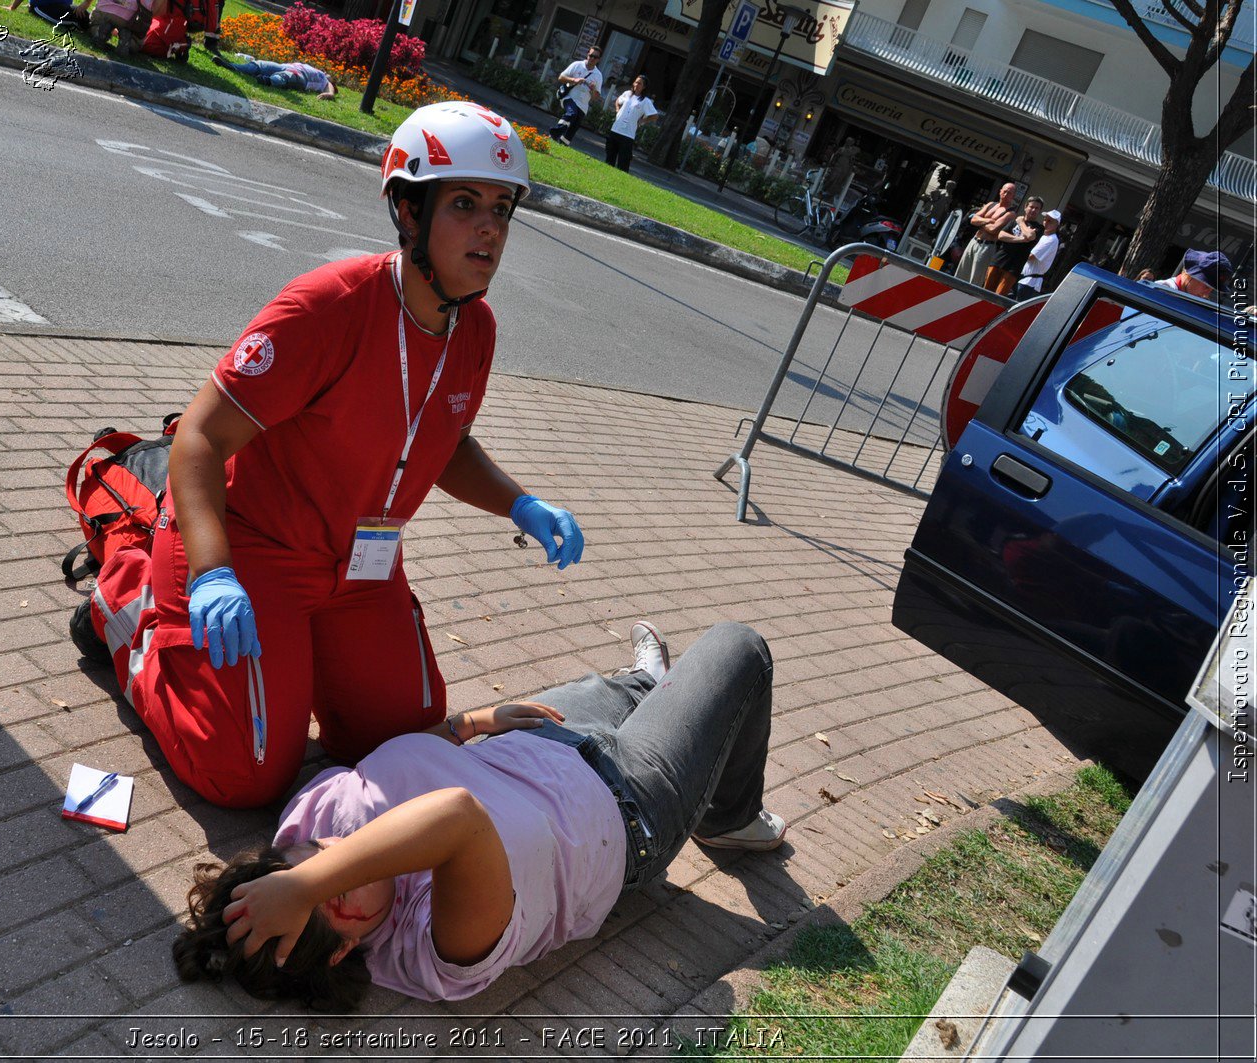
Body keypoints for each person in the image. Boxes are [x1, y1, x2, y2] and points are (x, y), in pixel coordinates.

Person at [79, 102, 586, 811]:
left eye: (502, 209)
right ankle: (127, 598)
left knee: (399, 741)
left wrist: (521, 503)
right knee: (246, 773)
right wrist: (214, 572)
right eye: (465, 204)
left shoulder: (477, 328)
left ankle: (293, 663)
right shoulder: (329, 305)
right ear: (409, 212)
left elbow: (443, 443)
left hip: (362, 569)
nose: (490, 229)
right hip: (255, 550)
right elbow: (199, 436)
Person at [175, 621, 785, 1006]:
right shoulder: (433, 953)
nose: (344, 874)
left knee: (619, 689)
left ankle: (646, 687)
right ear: (344, 952)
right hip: (631, 803)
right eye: (333, 902)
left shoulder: (313, 823)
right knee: (739, 649)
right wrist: (308, 884)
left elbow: (402, 761)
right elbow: (457, 817)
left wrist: (472, 723)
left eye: (309, 864)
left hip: (529, 744)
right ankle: (726, 817)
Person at [956, 182, 1017, 287]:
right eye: (1005, 191)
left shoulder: (1010, 213)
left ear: (1013, 196)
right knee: (960, 275)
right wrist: (989, 220)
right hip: (974, 241)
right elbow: (973, 219)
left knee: (975, 281)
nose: (1006, 194)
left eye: (1010, 193)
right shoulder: (991, 204)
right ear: (1000, 191)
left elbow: (993, 230)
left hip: (987, 246)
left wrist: (980, 222)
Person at [985, 196, 1042, 296]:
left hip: (1014, 266)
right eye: (1031, 207)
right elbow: (1001, 235)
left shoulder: (1039, 228)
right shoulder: (1013, 222)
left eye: (1037, 208)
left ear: (1039, 211)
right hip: (999, 260)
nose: (1033, 210)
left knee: (999, 295)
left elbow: (1030, 236)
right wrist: (1021, 239)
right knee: (985, 291)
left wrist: (1021, 222)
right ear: (1025, 207)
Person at [548, 47, 603, 146]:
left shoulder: (598, 75)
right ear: (587, 54)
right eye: (591, 55)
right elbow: (561, 77)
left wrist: (593, 89)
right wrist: (574, 80)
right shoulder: (577, 65)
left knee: (572, 129)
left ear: (599, 59)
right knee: (572, 113)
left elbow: (595, 98)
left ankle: (562, 144)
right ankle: (554, 134)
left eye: (595, 57)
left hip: (583, 105)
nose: (592, 58)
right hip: (569, 97)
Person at [603, 75, 659, 172]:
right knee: (609, 159)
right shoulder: (627, 94)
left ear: (644, 87)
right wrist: (617, 110)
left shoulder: (645, 101)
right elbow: (618, 101)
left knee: (623, 163)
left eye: (640, 83)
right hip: (615, 130)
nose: (636, 85)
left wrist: (642, 121)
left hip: (627, 135)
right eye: (636, 82)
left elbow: (654, 116)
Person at [215, 55, 336, 98]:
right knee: (260, 65)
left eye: (331, 77)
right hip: (284, 66)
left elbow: (330, 87)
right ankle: (232, 66)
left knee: (287, 77)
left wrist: (330, 93)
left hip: (300, 77)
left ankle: (268, 81)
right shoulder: (316, 69)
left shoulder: (323, 80)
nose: (328, 74)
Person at [1014, 208, 1061, 300]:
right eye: (1045, 219)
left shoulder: (1051, 239)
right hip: (1023, 278)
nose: (1046, 222)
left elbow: (1031, 257)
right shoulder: (1043, 236)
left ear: (1057, 224)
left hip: (1029, 282)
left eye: (1050, 221)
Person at [1154, 249, 1233, 299]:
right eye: (1206, 286)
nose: (1206, 294)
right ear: (1189, 275)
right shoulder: (1161, 291)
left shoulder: (1193, 300)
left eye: (1212, 290)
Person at [89, 0, 162, 55]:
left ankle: (99, 30)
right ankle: (128, 41)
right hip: (129, 20)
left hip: (104, 9)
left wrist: (86, 3)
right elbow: (153, 11)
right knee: (136, 43)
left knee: (95, 23)